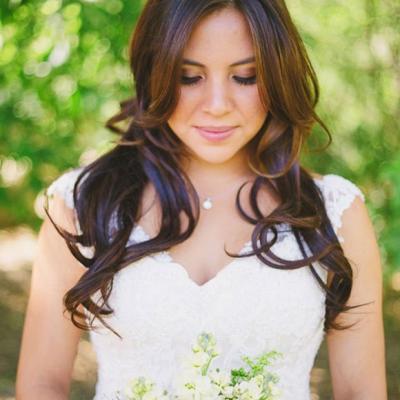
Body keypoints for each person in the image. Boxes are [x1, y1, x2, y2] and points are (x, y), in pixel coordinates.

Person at [16, 1, 387, 399]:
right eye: (189, 77)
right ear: (154, 72)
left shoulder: (336, 212)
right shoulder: (81, 204)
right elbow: (41, 386)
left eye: (245, 77)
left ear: (278, 75)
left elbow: (361, 392)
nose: (216, 104)